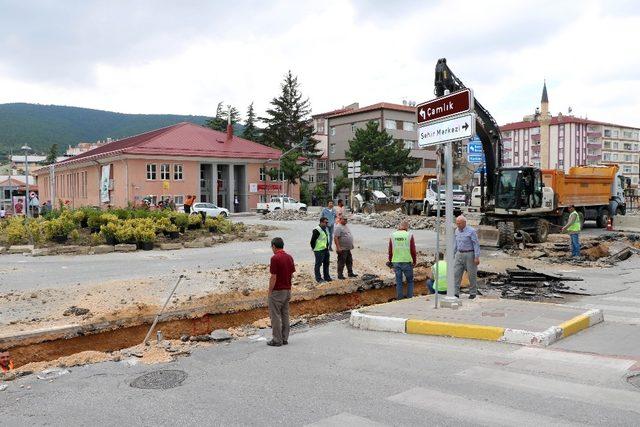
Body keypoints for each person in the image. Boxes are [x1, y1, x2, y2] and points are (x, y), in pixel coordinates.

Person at [267, 237, 295, 347]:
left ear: (274, 246)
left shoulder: (275, 258)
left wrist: (270, 291)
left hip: (277, 291)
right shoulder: (289, 257)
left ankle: (277, 340)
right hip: (287, 290)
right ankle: (284, 338)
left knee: (275, 316)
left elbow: (273, 277)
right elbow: (291, 274)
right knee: (285, 315)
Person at [388, 221, 417, 300]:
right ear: (407, 227)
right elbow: (413, 250)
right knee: (410, 281)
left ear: (399, 226)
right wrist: (414, 261)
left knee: (399, 281)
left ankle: (399, 299)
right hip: (406, 261)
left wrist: (390, 261)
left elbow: (390, 250)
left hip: (396, 261)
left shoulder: (393, 235)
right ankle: (410, 298)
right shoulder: (409, 235)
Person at [454, 215, 480, 299]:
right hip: (459, 254)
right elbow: (455, 243)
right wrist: (453, 254)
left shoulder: (471, 231)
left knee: (472, 274)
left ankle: (472, 292)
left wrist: (476, 257)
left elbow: (476, 244)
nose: (458, 225)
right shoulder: (456, 231)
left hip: (469, 254)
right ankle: (455, 293)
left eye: (459, 223)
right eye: (457, 223)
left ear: (464, 223)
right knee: (456, 274)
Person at [310, 217, 332, 283]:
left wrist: (327, 247)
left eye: (327, 222)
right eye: (326, 222)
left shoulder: (325, 229)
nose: (327, 224)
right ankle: (318, 278)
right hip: (319, 250)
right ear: (321, 222)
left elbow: (325, 239)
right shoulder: (316, 230)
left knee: (326, 264)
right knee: (318, 264)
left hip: (325, 249)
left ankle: (326, 277)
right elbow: (312, 241)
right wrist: (314, 248)